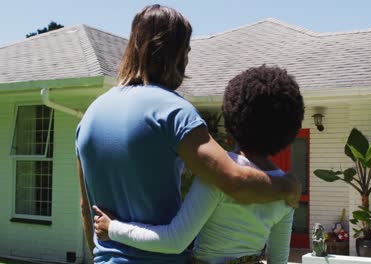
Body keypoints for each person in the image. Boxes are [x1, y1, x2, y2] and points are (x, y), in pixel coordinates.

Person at [75, 5, 300, 264]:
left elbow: (85, 209)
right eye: (187, 51)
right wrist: (288, 185)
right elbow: (233, 180)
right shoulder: (174, 110)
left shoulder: (89, 116)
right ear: (177, 54)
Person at [93, 65, 305, 264]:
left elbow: (175, 241)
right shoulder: (287, 191)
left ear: (233, 117)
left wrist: (113, 228)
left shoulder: (219, 174)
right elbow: (278, 260)